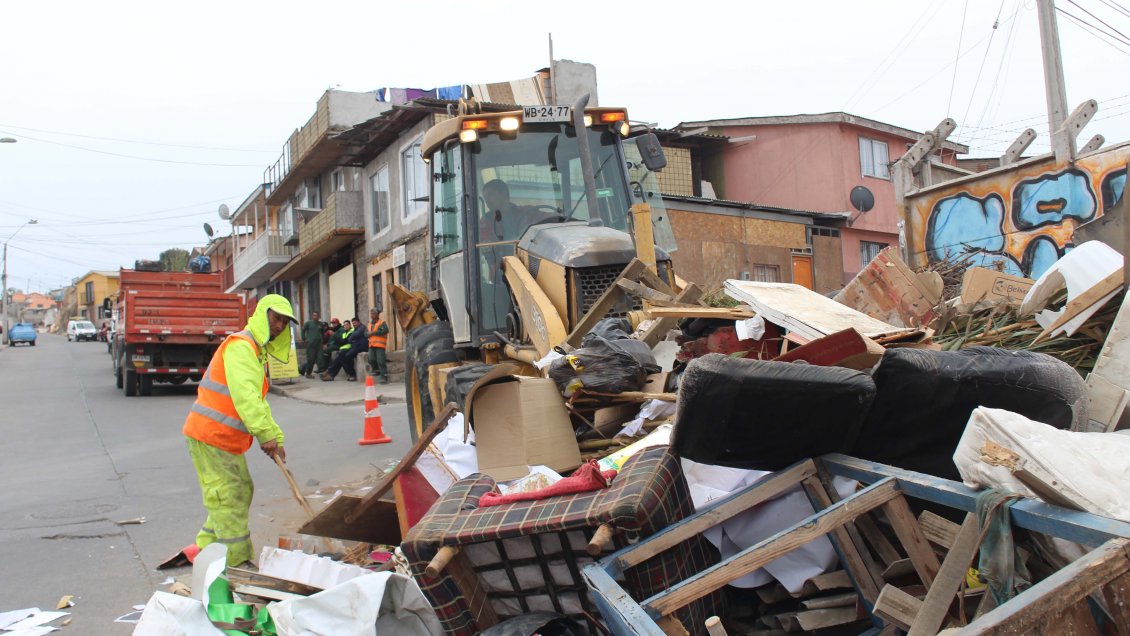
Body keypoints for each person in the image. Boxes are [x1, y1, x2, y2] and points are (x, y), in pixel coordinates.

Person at [182, 293, 297, 568]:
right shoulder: (241, 348)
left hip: (223, 439)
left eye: (284, 322)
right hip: (209, 435)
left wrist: (276, 437)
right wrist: (265, 436)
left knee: (240, 489)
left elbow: (259, 403)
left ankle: (204, 547)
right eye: (276, 318)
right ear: (262, 316)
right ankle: (237, 561)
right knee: (229, 494)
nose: (279, 325)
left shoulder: (255, 353)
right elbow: (245, 397)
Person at [479, 179, 559, 243]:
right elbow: (486, 247)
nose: (487, 200)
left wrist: (559, 217)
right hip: (503, 261)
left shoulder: (527, 213)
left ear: (503, 194)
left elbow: (551, 218)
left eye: (491, 195)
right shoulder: (486, 221)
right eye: (485, 197)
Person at [322, 317, 367, 382]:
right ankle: (331, 374)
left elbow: (348, 340)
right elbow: (343, 341)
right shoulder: (347, 332)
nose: (345, 326)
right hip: (351, 347)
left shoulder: (357, 329)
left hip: (356, 346)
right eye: (344, 325)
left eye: (346, 325)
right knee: (341, 356)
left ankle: (332, 372)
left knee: (344, 356)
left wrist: (334, 335)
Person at [367, 309, 389, 384]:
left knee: (381, 361)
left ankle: (384, 376)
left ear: (377, 315)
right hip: (371, 345)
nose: (372, 315)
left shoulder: (382, 323)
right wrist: (367, 334)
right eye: (371, 313)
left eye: (373, 313)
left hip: (380, 345)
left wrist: (373, 333)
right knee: (371, 359)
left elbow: (385, 330)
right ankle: (376, 370)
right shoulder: (369, 324)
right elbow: (366, 333)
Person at [299, 310, 322, 379]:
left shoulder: (321, 324)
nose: (315, 317)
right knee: (311, 359)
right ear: (312, 316)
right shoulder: (308, 323)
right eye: (314, 315)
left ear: (319, 316)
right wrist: (304, 339)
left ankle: (322, 373)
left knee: (320, 358)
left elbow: (323, 332)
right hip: (311, 345)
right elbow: (303, 330)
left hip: (319, 345)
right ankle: (308, 373)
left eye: (316, 315)